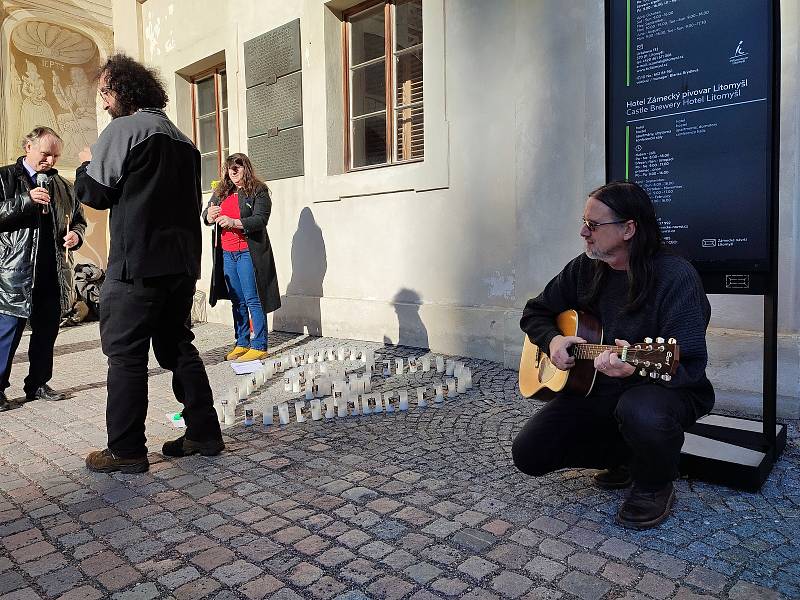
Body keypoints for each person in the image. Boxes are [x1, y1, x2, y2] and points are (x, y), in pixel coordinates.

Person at [512, 181, 714, 529]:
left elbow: (687, 358)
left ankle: (654, 483)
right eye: (584, 221)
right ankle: (625, 458)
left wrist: (631, 370)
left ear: (629, 229)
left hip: (665, 388)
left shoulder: (675, 276)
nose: (583, 232)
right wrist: (553, 341)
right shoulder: (585, 268)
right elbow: (535, 312)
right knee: (529, 454)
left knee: (641, 410)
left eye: (593, 225)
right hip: (595, 388)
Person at [74, 53, 223, 473]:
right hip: (179, 265)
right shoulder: (183, 139)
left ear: (121, 90)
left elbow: (94, 194)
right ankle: (204, 433)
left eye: (105, 92)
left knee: (125, 355)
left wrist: (86, 162)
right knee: (178, 346)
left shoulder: (123, 129)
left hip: (136, 264)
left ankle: (125, 451)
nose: (104, 102)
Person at [0, 127, 86, 411]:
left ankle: (37, 383)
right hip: (14, 272)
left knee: (47, 330)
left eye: (56, 156)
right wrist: (25, 200)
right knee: (8, 332)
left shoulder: (62, 185)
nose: (50, 160)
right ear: (28, 147)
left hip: (52, 271)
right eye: (45, 154)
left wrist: (76, 235)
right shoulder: (5, 177)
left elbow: (78, 219)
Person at [203, 153, 280, 363]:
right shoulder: (221, 191)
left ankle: (259, 344)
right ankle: (242, 342)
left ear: (245, 168)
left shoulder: (258, 190)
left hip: (248, 252)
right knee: (237, 300)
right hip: (227, 254)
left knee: (252, 298)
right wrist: (209, 216)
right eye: (230, 169)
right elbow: (206, 215)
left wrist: (234, 222)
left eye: (238, 167)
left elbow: (260, 219)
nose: (234, 172)